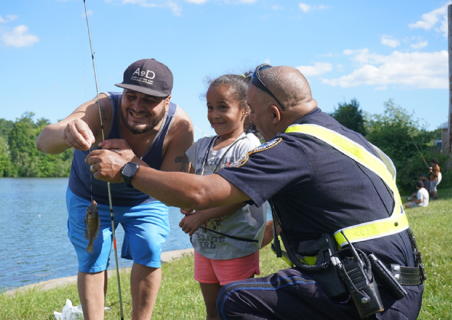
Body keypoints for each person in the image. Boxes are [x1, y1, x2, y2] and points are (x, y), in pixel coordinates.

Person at [86, 63, 425, 320]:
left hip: (371, 298)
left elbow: (201, 194)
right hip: (393, 286)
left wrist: (128, 169)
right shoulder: (346, 137)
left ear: (275, 113)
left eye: (254, 114)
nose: (252, 124)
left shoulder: (294, 148)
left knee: (236, 299)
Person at [36, 58, 194, 320]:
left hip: (145, 199)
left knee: (150, 247)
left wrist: (130, 165)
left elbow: (169, 191)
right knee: (93, 254)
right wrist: (66, 133)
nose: (136, 106)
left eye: (149, 100)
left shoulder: (180, 127)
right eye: (130, 96)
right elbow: (43, 142)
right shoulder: (103, 108)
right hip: (88, 198)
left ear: (167, 101)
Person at [179, 74, 267, 320]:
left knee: (237, 310)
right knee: (213, 309)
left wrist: (202, 216)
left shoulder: (247, 145)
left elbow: (241, 196)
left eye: (222, 107)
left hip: (236, 244)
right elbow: (190, 178)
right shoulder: (203, 145)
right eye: (209, 107)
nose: (214, 114)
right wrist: (188, 204)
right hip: (205, 245)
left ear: (244, 111)